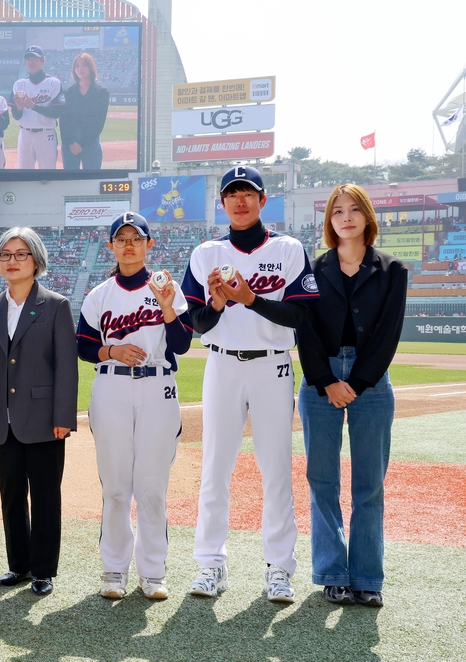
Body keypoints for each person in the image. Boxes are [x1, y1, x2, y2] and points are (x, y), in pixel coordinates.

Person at [179, 166, 319, 603]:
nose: (240, 200)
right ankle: (210, 565)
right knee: (215, 468)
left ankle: (279, 569)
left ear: (262, 200)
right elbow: (195, 323)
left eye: (248, 193)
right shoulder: (205, 253)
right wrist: (218, 304)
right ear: (222, 203)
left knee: (276, 468)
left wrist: (251, 300)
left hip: (272, 364)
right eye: (231, 194)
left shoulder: (288, 248)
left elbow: (301, 316)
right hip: (222, 364)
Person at [297, 184, 406, 608]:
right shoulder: (312, 269)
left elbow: (388, 334)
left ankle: (366, 577)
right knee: (321, 481)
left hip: (371, 380)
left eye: (354, 209)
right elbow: (303, 329)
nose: (345, 217)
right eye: (337, 210)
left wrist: (356, 383)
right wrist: (326, 379)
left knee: (369, 485)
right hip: (320, 381)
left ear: (367, 217)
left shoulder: (392, 269)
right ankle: (332, 574)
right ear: (329, 219)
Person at [77, 212, 192, 600]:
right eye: (121, 238)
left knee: (152, 486)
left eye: (136, 238)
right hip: (111, 387)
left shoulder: (167, 289)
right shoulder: (99, 294)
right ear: (111, 246)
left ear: (149, 245)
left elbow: (181, 345)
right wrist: (112, 349)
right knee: (114, 487)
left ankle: (153, 571)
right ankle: (113, 569)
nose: (128, 244)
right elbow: (82, 346)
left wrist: (167, 306)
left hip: (158, 387)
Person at [0, 226, 76, 596]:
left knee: (46, 495)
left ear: (36, 261)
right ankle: (18, 565)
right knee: (11, 493)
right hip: (2, 422)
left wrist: (65, 416)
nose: (12, 261)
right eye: (5, 255)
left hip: (46, 421)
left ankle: (44, 569)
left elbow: (66, 367)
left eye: (20, 254)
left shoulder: (57, 305)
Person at [10, 45, 63, 169]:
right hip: (25, 134)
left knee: (47, 173)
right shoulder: (19, 84)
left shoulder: (54, 83)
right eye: (28, 59)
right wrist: (19, 108)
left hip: (46, 135)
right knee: (24, 174)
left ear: (43, 61)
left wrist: (33, 106)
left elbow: (56, 113)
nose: (31, 61)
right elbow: (16, 115)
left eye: (34, 58)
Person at [59, 53, 109, 170]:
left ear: (91, 67)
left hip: (91, 144)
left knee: (92, 181)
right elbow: (64, 121)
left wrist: (81, 143)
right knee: (70, 182)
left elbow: (99, 122)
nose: (80, 69)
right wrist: (70, 142)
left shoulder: (101, 92)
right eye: (77, 66)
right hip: (69, 145)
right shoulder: (68, 92)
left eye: (84, 65)